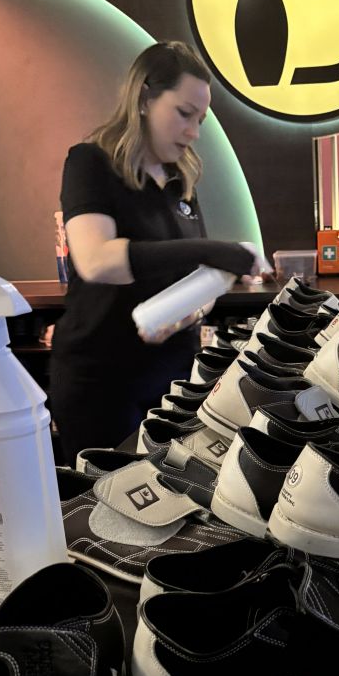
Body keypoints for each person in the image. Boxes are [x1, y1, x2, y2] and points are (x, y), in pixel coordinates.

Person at [50, 41, 262, 465]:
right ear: (144, 98)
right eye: (184, 113)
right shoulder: (90, 163)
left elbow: (193, 279)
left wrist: (185, 313)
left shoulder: (181, 181)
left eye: (200, 120)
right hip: (101, 380)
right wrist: (215, 250)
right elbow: (95, 260)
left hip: (170, 378)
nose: (194, 131)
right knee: (108, 497)